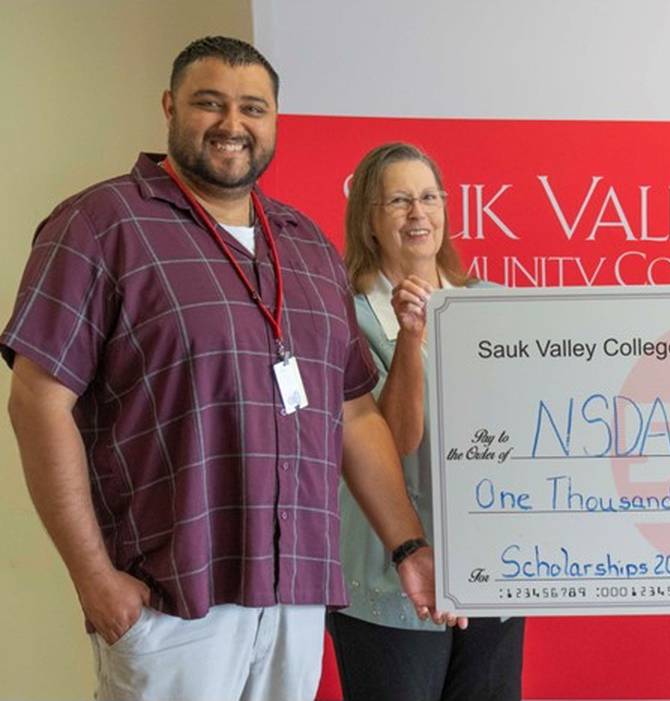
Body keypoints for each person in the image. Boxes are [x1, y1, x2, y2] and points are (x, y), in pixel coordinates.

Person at [2, 37, 460, 701]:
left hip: (296, 598)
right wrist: (93, 576)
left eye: (253, 107)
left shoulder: (306, 247)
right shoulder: (103, 225)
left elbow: (355, 413)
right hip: (171, 600)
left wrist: (406, 547)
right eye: (208, 103)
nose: (232, 124)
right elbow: (38, 399)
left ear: (275, 121)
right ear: (169, 107)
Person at [328, 142, 524, 700]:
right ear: (368, 218)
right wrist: (411, 340)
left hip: (491, 575)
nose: (419, 214)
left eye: (429, 197)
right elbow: (391, 443)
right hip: (387, 587)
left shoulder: (492, 305)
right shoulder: (345, 314)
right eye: (399, 201)